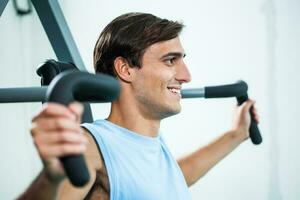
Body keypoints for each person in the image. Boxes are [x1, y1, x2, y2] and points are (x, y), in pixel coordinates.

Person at [18, 12, 259, 199]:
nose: (186, 76)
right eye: (170, 60)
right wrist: (51, 179)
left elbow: (170, 179)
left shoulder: (148, 143)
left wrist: (236, 134)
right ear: (125, 69)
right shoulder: (88, 147)